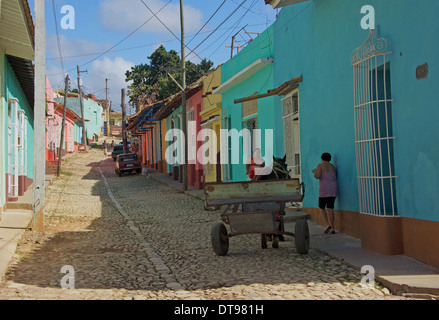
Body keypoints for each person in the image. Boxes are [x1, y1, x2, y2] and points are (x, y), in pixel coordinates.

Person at [313, 153, 338, 234]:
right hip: (333, 188)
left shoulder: (320, 166)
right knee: (330, 208)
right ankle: (333, 228)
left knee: (322, 207)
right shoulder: (332, 166)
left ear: (322, 158)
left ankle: (327, 224)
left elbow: (317, 176)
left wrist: (315, 172)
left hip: (324, 188)